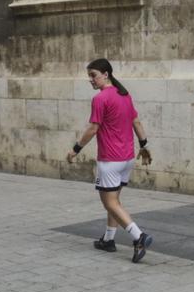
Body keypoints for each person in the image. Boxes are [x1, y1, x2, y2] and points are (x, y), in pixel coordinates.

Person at [66, 58, 155, 262]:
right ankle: (108, 240)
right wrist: (144, 146)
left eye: (94, 75)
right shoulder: (124, 95)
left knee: (110, 203)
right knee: (114, 201)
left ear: (106, 74)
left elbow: (93, 129)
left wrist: (75, 149)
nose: (91, 80)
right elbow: (136, 122)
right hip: (127, 160)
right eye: (89, 76)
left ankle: (139, 236)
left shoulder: (100, 99)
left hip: (110, 160)